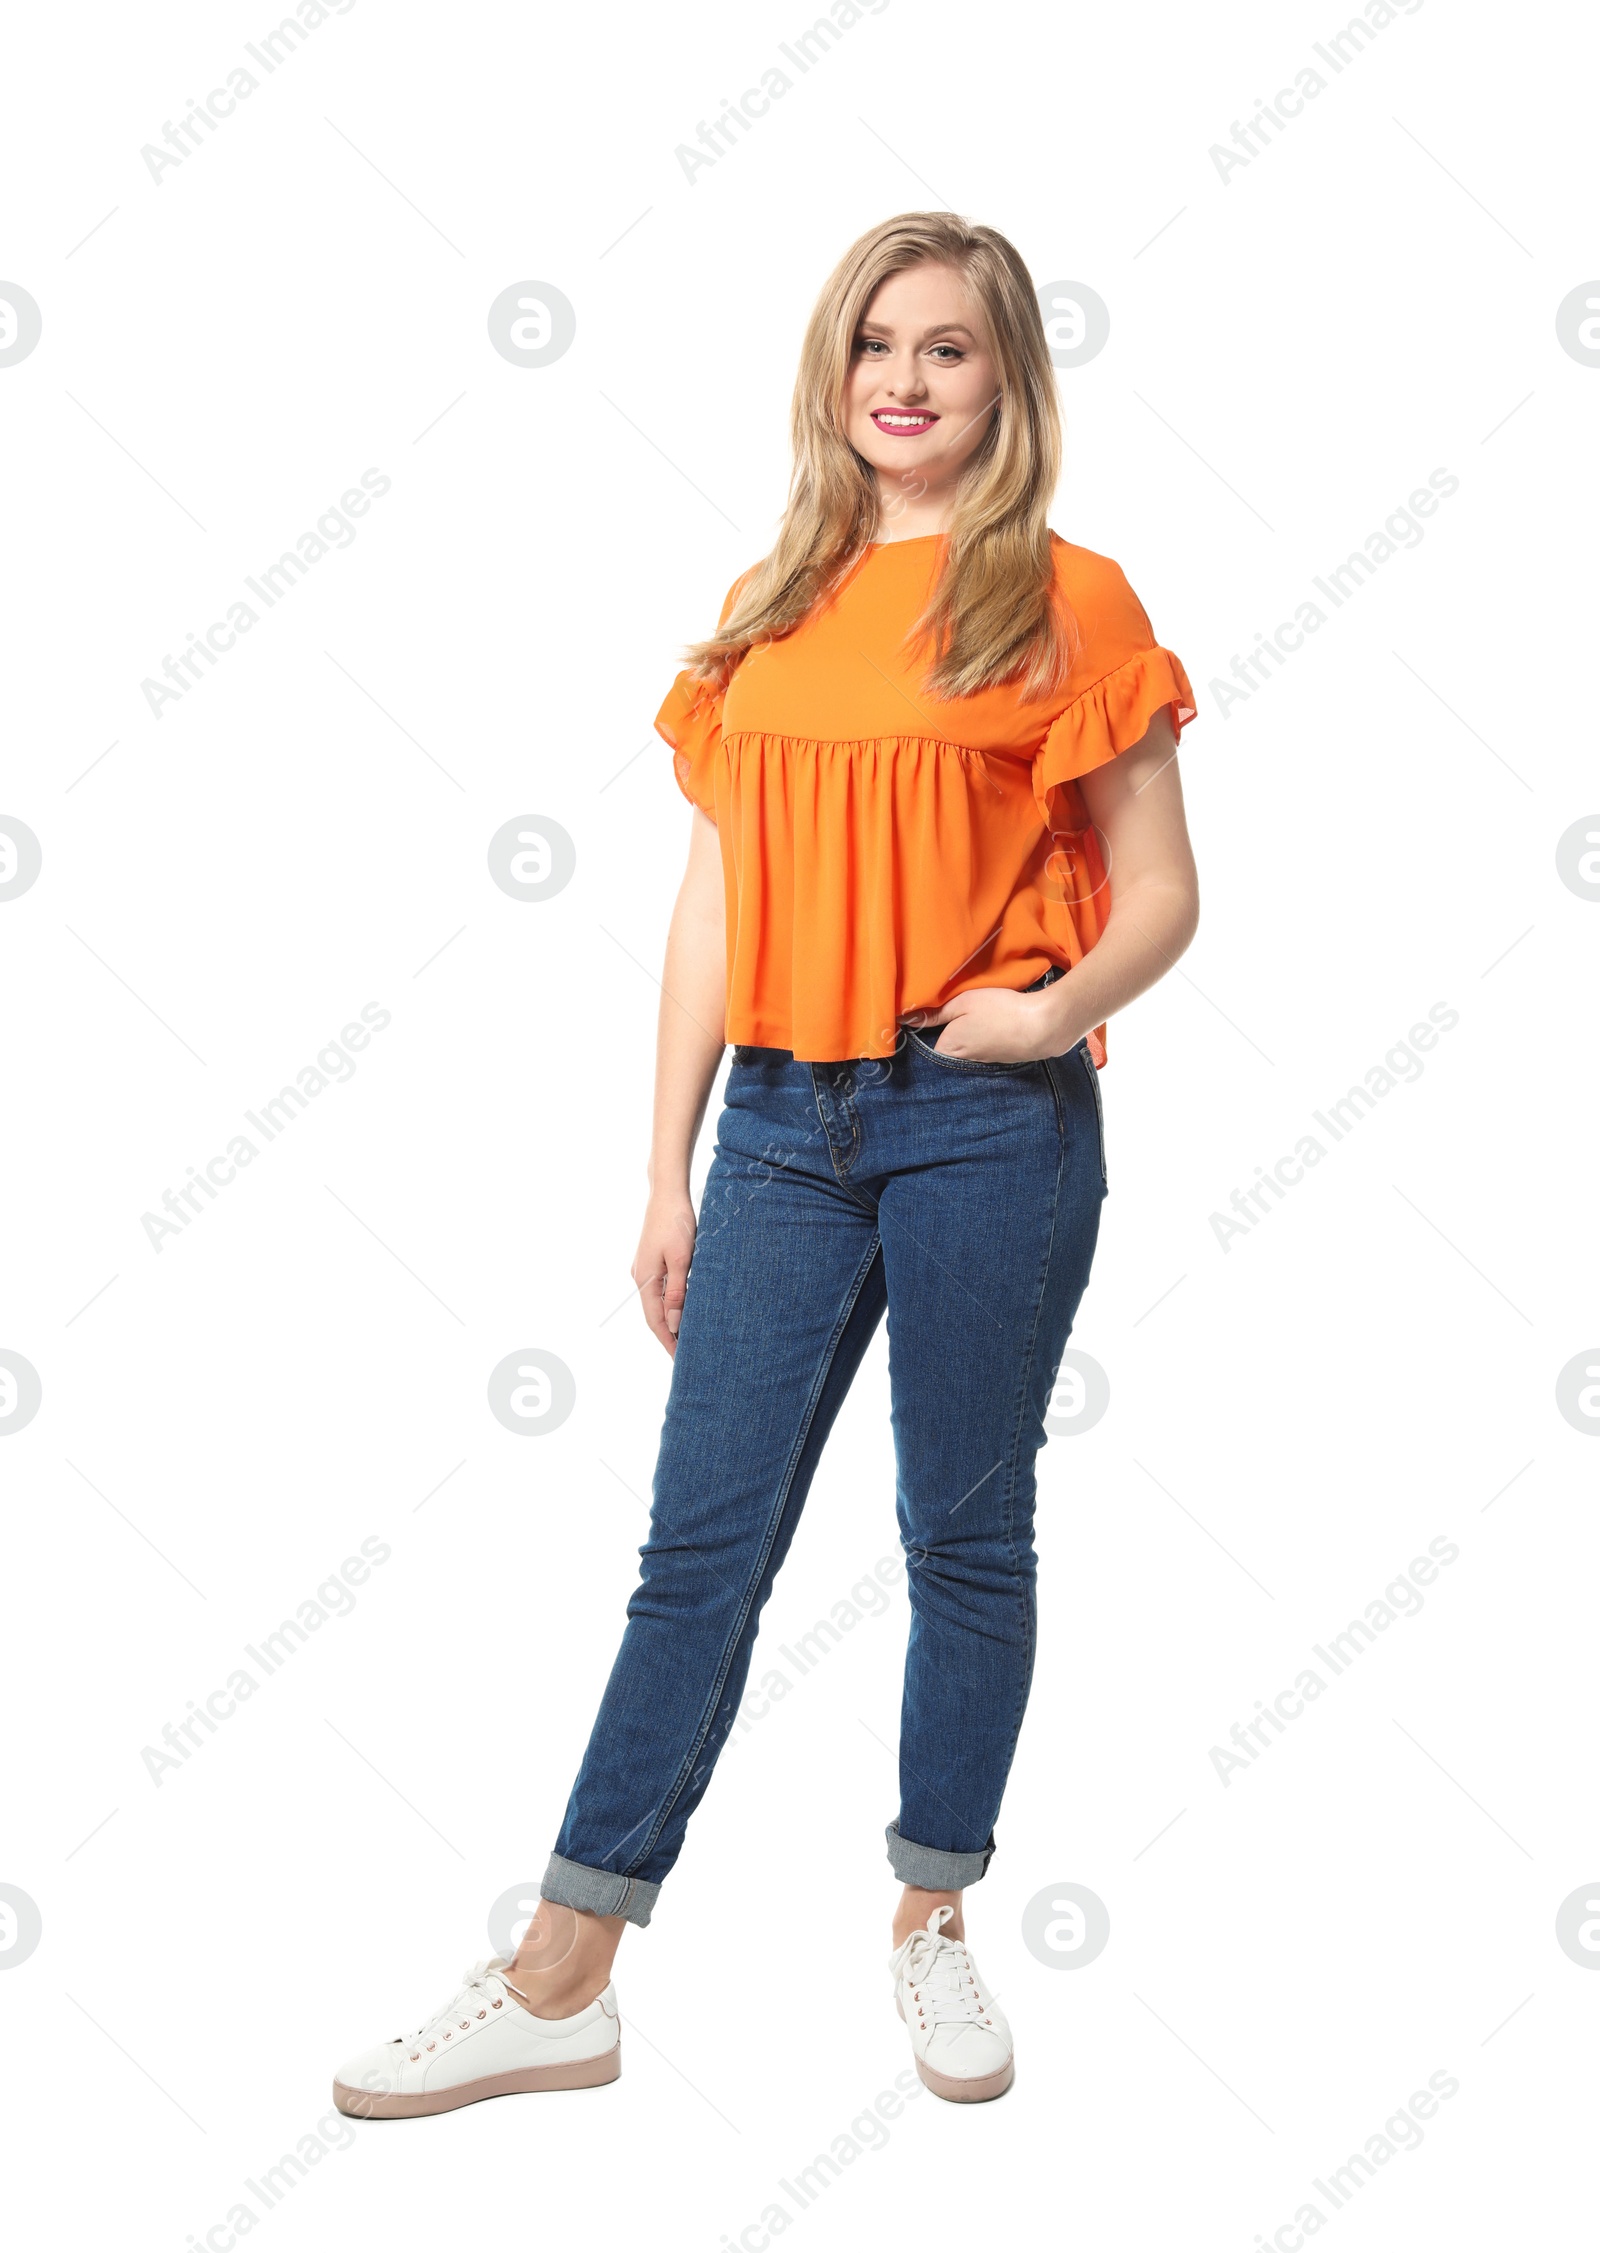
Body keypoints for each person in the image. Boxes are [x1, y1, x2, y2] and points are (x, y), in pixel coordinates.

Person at [332, 210, 1199, 2119]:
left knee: (962, 1536)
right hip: (781, 1131)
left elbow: (1161, 892)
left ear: (1008, 380)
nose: (905, 377)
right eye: (876, 341)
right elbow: (716, 900)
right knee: (696, 1547)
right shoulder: (774, 593)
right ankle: (564, 1973)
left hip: (988, 1115)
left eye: (949, 348)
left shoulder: (1071, 597)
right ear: (836, 371)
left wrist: (1045, 1023)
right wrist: (666, 1166)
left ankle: (932, 1922)